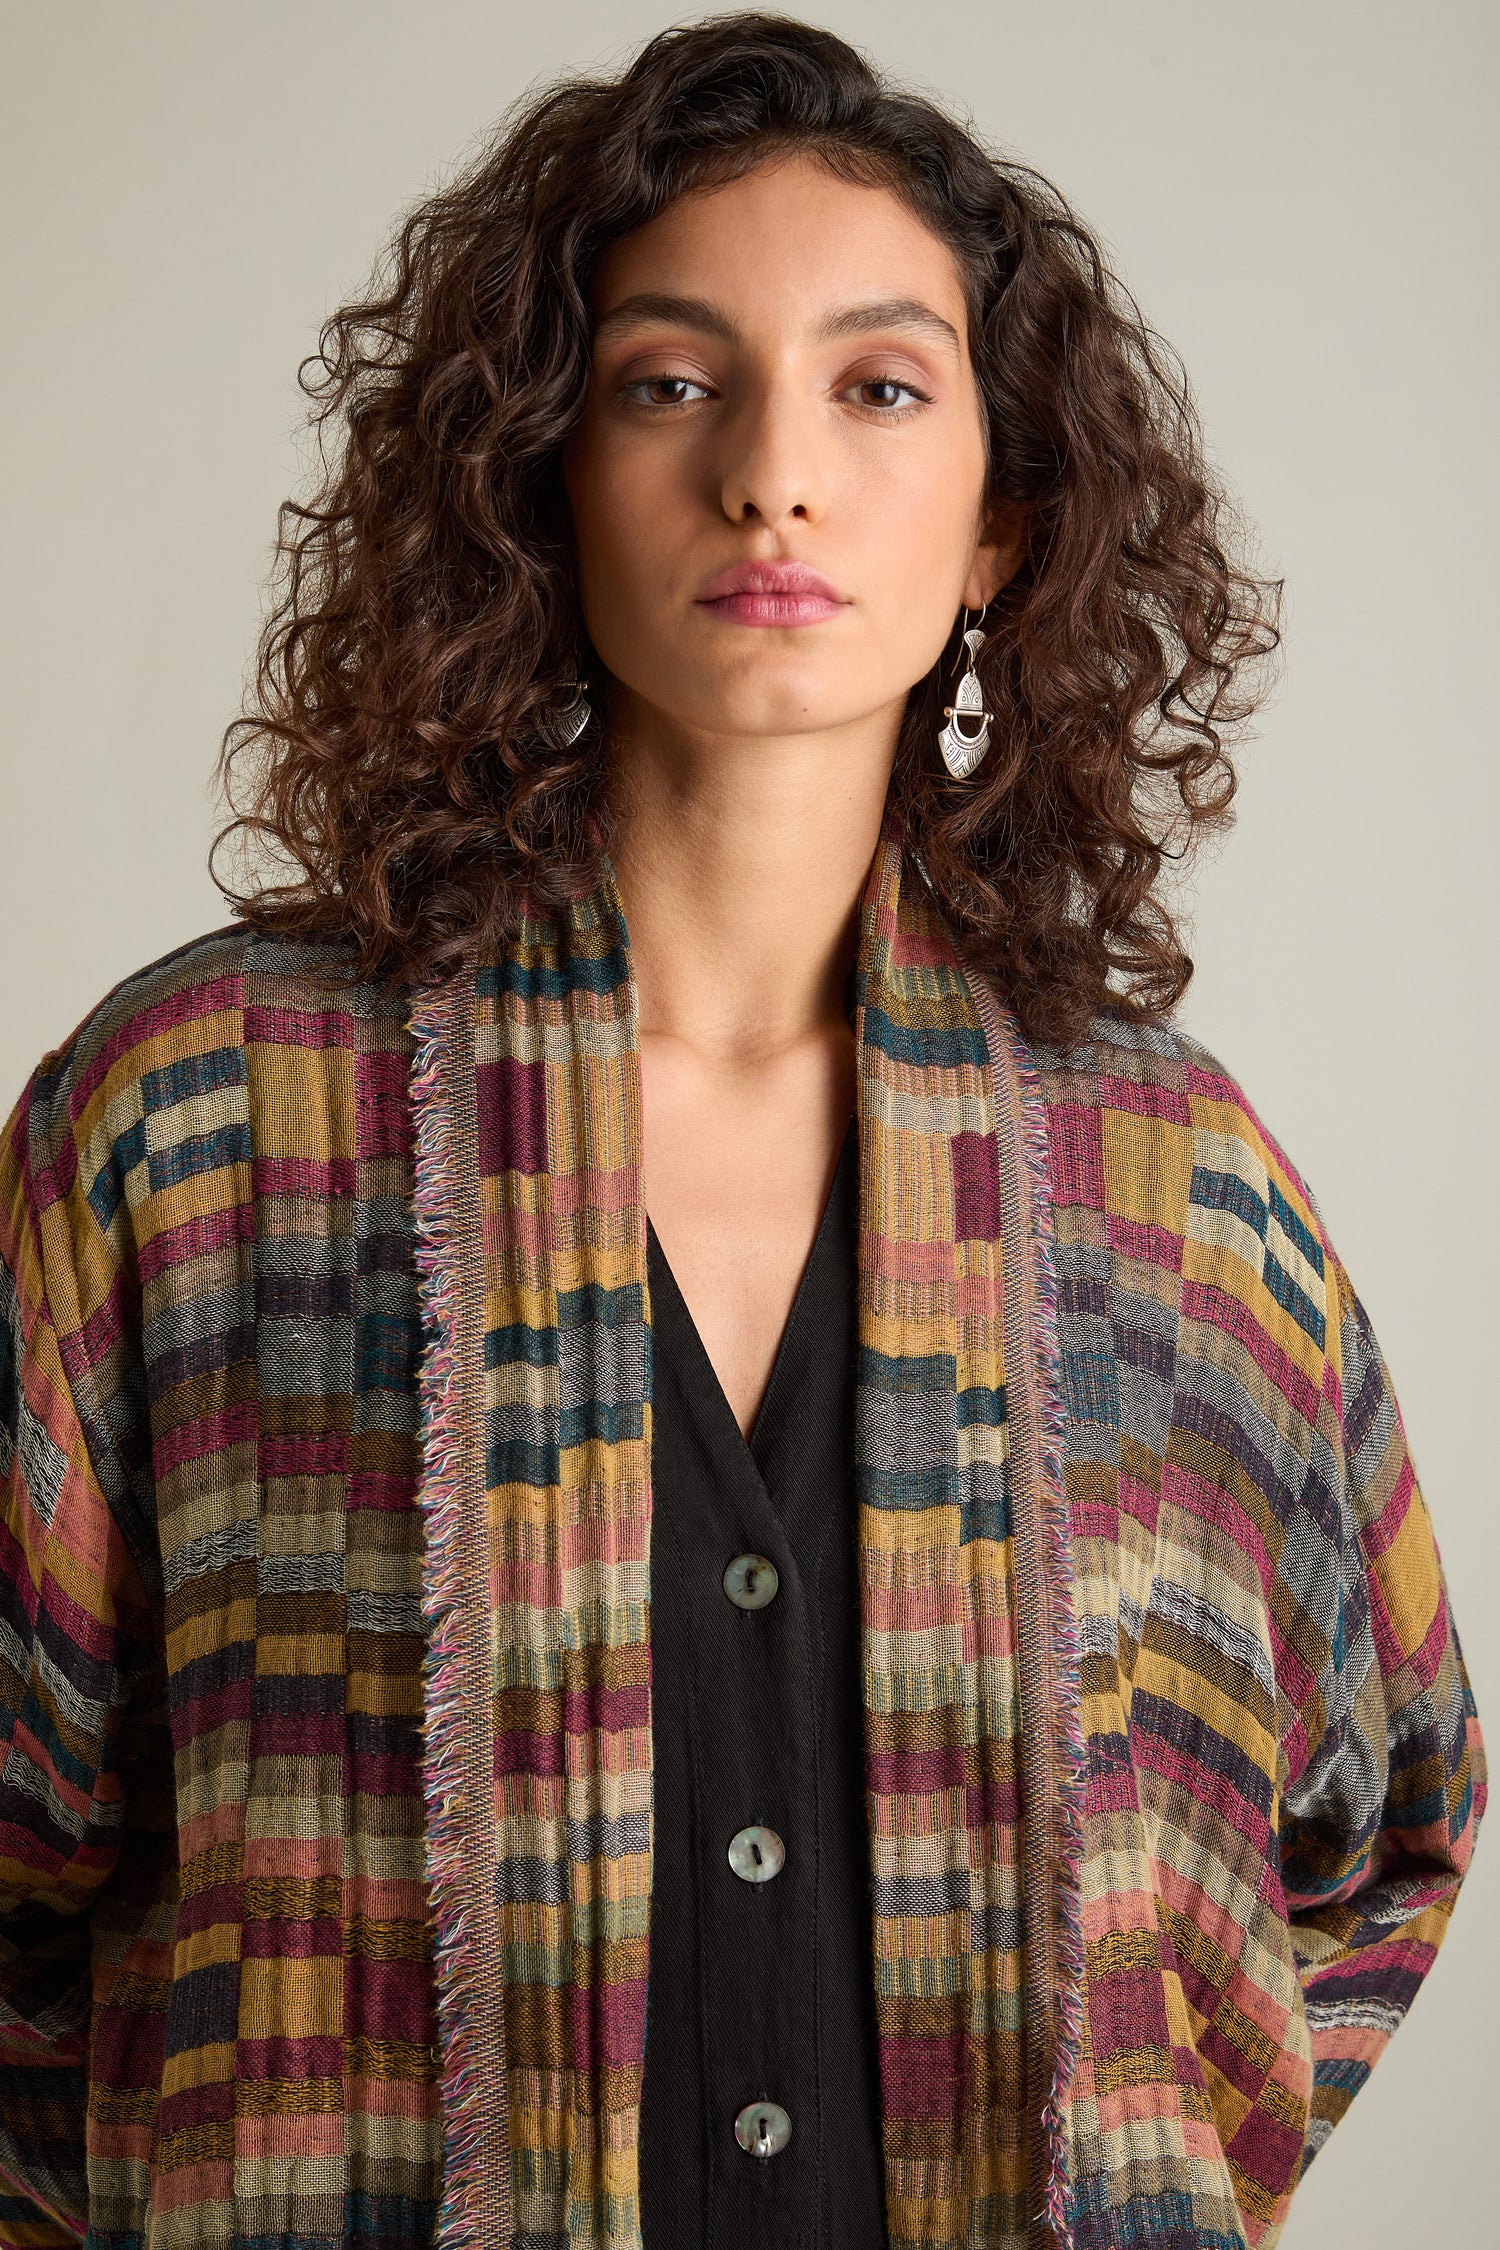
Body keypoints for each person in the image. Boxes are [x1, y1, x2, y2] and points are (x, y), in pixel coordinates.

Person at [0, 13, 1484, 2250]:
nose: (771, 474)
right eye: (669, 381)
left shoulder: (1175, 1193)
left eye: (879, 386)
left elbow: (1379, 1832)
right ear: (538, 471)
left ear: (1002, 524)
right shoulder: (196, 1131)